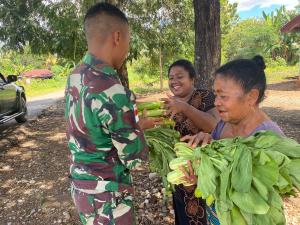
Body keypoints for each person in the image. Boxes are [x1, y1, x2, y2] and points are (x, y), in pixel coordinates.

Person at [65, 3, 161, 225]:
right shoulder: (111, 88)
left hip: (82, 188)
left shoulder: (75, 76)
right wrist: (139, 129)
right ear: (117, 37)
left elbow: (91, 128)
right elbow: (134, 158)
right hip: (108, 196)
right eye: (128, 40)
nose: (127, 48)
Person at [181, 55, 284, 225]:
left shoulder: (270, 138)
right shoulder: (223, 125)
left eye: (223, 96)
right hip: (216, 217)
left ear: (251, 97)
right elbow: (216, 173)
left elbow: (265, 195)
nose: (216, 102)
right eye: (215, 94)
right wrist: (200, 173)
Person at [162, 59, 219, 225]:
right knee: (183, 214)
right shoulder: (168, 104)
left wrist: (185, 108)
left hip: (203, 172)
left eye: (180, 76)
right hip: (180, 172)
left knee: (205, 214)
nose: (174, 81)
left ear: (192, 78)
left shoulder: (206, 96)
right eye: (171, 78)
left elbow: (214, 125)